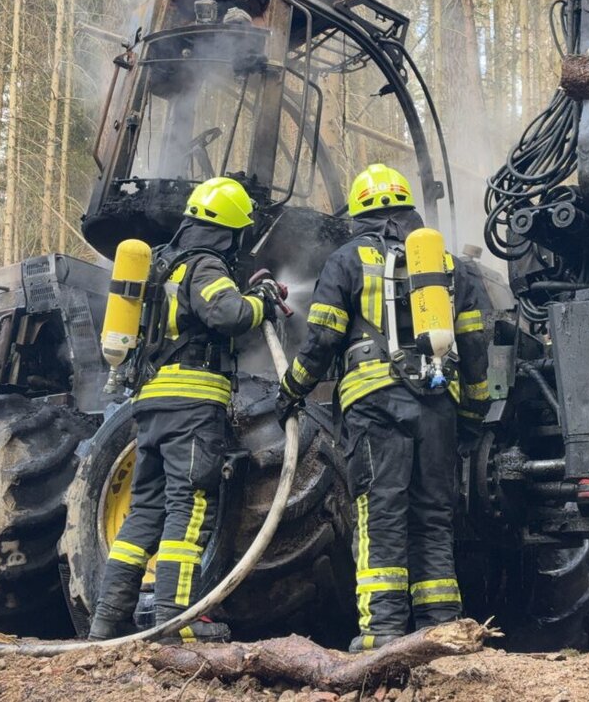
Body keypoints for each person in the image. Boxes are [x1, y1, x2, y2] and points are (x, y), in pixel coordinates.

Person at [275, 163, 490, 652]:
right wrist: (472, 412)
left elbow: (323, 337)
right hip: (438, 405)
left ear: (359, 213)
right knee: (434, 515)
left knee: (381, 512)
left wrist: (292, 388)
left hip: (375, 408)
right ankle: (442, 628)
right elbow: (476, 345)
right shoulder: (449, 265)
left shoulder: (347, 260)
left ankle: (384, 633)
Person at [88, 176, 279, 642]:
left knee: (144, 511)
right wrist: (262, 303)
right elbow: (228, 315)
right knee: (189, 508)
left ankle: (107, 620)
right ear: (229, 229)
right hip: (192, 406)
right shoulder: (206, 264)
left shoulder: (160, 264)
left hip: (151, 402)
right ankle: (174, 620)